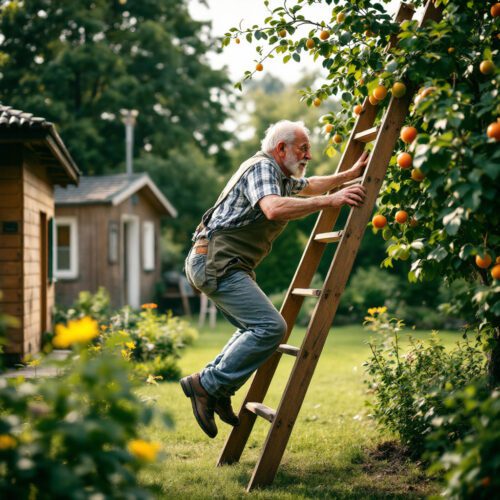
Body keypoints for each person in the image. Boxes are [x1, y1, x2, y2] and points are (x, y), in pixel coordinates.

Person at [181, 120, 368, 438]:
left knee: (252, 328)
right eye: (303, 148)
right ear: (281, 148)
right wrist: (330, 201)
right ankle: (208, 385)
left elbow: (312, 184)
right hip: (216, 261)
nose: (308, 154)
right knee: (271, 328)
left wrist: (347, 177)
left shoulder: (279, 175)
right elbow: (272, 208)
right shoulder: (263, 168)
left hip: (222, 262)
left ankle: (216, 388)